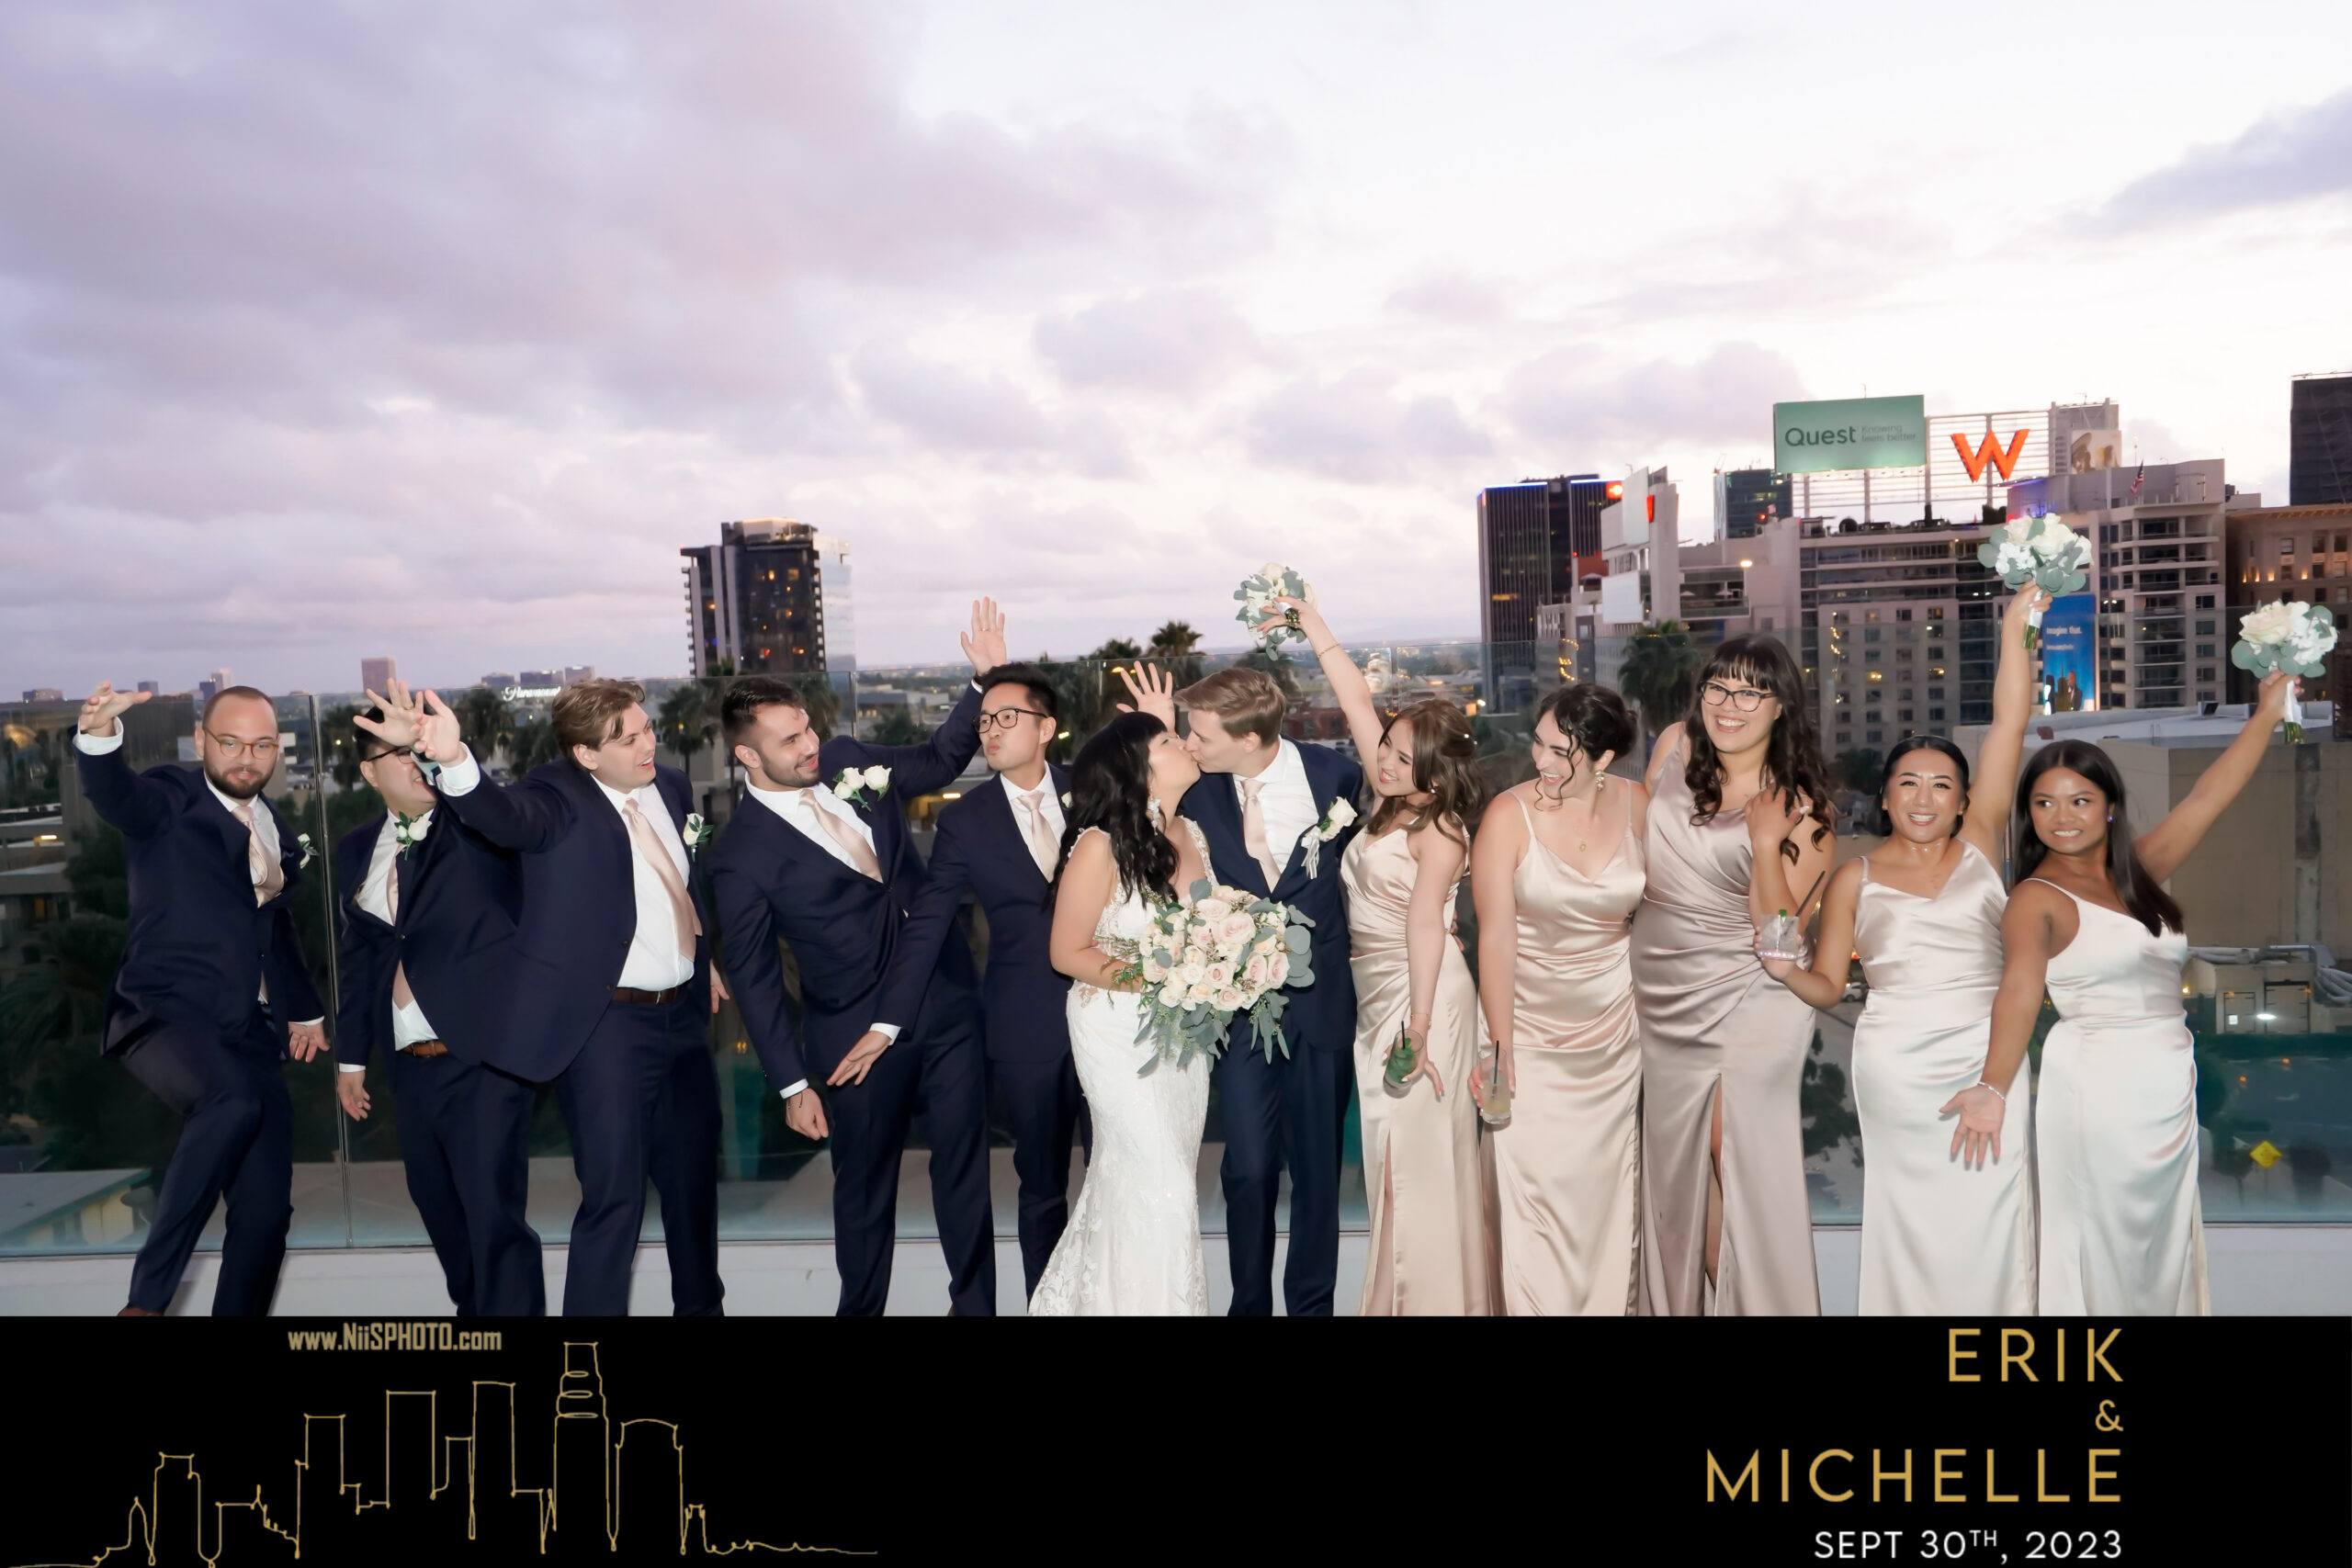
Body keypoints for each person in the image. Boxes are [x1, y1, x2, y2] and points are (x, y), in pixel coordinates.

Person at [1952, 672, 2298, 1316]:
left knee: (2157, 1242)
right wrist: (1993, 1086)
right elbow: (2019, 991)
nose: (2061, 817)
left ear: (2110, 806)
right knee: (2102, 1237)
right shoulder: (2034, 899)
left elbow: (2209, 795)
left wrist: (2266, 715)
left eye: (2079, 800)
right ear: (2029, 814)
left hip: (2166, 1083)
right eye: (2044, 803)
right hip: (2096, 1085)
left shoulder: (2138, 871)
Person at [379, 679, 727, 1317]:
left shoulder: (672, 787)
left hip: (684, 1020)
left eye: (647, 727)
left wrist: (698, 957)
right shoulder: (555, 796)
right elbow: (500, 815)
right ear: (586, 754)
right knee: (615, 1203)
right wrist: (453, 759)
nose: (649, 744)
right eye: (629, 739)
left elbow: (679, 880)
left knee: (694, 1193)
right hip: (608, 1030)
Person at [705, 601, 1006, 1316]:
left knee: (966, 1177)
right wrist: (791, 1084)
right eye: (789, 740)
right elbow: (753, 976)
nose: (810, 744)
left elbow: (939, 758)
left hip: (946, 1000)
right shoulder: (739, 856)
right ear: (747, 756)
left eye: (807, 726)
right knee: (865, 1199)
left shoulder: (844, 758)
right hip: (852, 1041)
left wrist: (982, 682)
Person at [1763, 587, 2046, 1314]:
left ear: (1965, 800)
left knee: (1994, 1212)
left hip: (1989, 1055)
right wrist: (1786, 971)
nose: (1925, 798)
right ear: (1884, 798)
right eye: (1908, 784)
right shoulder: (1850, 877)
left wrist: (2015, 628)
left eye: (1942, 785)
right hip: (1896, 1066)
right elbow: (1831, 986)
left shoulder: (1981, 842)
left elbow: (2011, 722)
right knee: (1911, 1220)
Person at [1268, 593, 1493, 1315]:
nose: (1385, 761)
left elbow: (1426, 924)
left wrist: (1419, 1027)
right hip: (1376, 995)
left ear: (1436, 775)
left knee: (1416, 1167)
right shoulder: (1393, 793)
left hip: (1423, 996)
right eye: (1387, 747)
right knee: (1391, 1163)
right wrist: (1313, 625)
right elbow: (1356, 700)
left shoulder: (1441, 830)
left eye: (1401, 756)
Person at [73, 682, 327, 1316]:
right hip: (167, 1013)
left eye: (261, 745)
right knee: (229, 1101)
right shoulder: (172, 797)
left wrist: (305, 1010)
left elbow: (275, 926)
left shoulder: (276, 828)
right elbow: (118, 796)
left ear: (277, 749)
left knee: (266, 1215)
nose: (246, 758)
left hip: (254, 1031)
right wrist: (99, 738)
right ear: (200, 741)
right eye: (231, 742)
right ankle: (146, 1302)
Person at [1633, 635, 1837, 1316]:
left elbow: (1779, 938)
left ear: (1781, 707)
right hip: (1659, 992)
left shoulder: (1803, 808)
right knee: (1683, 1174)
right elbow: (1633, 850)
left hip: (1751, 997)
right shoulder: (1674, 745)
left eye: (1751, 692)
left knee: (1735, 1161)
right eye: (1718, 686)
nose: (1729, 704)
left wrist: (1764, 843)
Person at [870, 663, 1084, 1301]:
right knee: (1042, 1189)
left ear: (1046, 728)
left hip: (1117, 1013)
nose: (989, 729)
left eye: (1006, 718)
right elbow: (928, 925)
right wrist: (887, 1022)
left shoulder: (1093, 789)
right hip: (1026, 1028)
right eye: (985, 719)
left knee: (1119, 1175)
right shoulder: (966, 821)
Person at [332, 687, 542, 1316]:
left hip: (482, 1062)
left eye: (420, 749)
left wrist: (444, 755)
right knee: (442, 1214)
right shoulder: (357, 847)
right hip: (409, 1071)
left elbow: (500, 812)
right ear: (369, 772)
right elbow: (360, 957)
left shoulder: (473, 827)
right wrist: (351, 1059)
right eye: (402, 754)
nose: (417, 762)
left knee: (494, 1221)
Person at [1161, 664, 1363, 1316]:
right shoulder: (1194, 791)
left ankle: (1311, 1307)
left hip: (1323, 1003)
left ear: (1249, 738)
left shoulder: (1336, 778)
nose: (1190, 744)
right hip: (1241, 1007)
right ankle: (1248, 1304)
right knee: (1247, 1169)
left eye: (1201, 734)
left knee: (1317, 1175)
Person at [1029, 711, 1216, 1315]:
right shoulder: (1099, 844)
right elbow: (1066, 952)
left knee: (1158, 1182)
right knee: (1161, 1183)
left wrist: (1230, 961)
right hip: (1117, 1031)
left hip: (1182, 1039)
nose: (1184, 743)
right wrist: (1162, 977)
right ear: (1139, 769)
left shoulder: (1193, 834)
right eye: (1168, 739)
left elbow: (1209, 930)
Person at [1471, 682, 1646, 1315]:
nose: (1540, 760)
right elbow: (1494, 937)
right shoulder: (1506, 815)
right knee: (1534, 1211)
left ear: (1603, 760)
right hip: (1529, 1034)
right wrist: (1500, 1047)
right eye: (1538, 744)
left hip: (1617, 1034)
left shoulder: (1639, 804)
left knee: (1608, 1204)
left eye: (1559, 752)